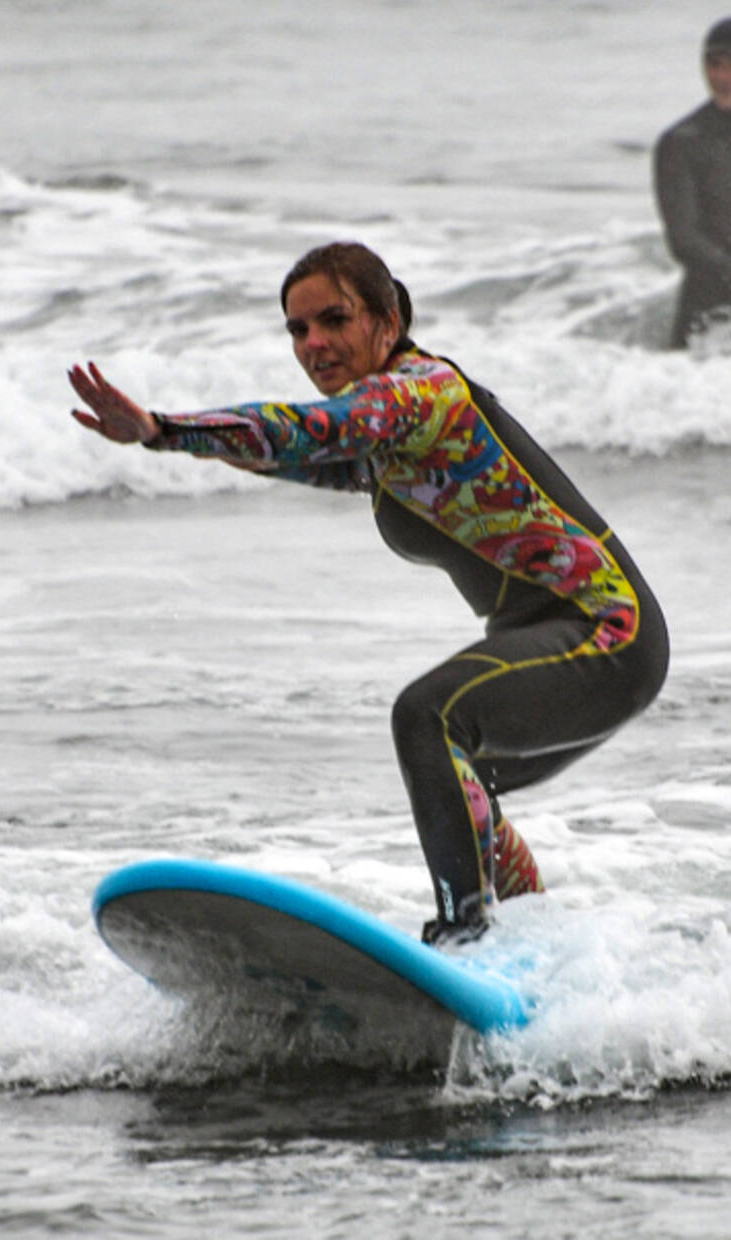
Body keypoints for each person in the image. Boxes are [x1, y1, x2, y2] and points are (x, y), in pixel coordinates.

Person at [68, 242, 668, 944]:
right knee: (455, 777)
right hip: (556, 638)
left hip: (607, 631)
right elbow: (299, 453)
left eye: (333, 320)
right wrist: (171, 443)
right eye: (298, 330)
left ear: (388, 320)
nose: (314, 343)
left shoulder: (421, 392)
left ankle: (466, 935)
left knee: (427, 717)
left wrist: (162, 428)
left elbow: (307, 430)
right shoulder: (387, 440)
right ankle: (534, 936)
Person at [654, 16, 731, 349]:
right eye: (714, 64)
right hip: (706, 308)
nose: (722, 77)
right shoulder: (681, 141)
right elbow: (683, 238)